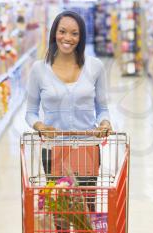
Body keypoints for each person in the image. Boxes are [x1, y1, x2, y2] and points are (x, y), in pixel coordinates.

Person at [25, 10, 112, 231]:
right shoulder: (39, 69)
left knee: (87, 207)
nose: (68, 38)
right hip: (54, 149)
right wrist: (40, 126)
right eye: (62, 31)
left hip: (86, 148)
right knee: (60, 208)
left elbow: (102, 109)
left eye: (74, 33)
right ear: (54, 33)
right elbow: (31, 112)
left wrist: (104, 123)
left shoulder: (95, 67)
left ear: (81, 37)